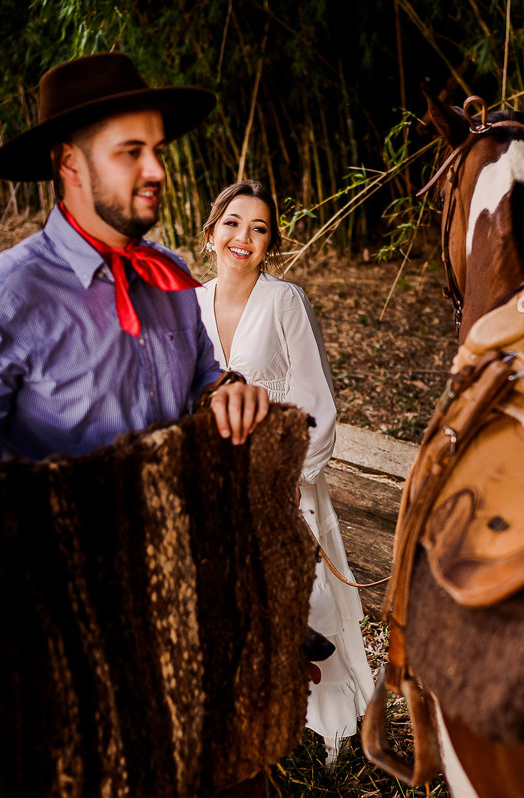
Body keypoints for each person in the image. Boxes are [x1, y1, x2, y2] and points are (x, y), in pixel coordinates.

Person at [0, 52, 269, 526]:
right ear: (70, 164)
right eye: (131, 152)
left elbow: (201, 375)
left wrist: (226, 391)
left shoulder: (169, 272)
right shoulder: (7, 292)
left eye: (158, 151)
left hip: (173, 541)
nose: (156, 171)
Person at [195, 180, 374, 765]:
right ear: (211, 233)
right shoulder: (188, 304)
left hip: (282, 474)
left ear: (271, 243)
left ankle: (328, 733)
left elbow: (318, 401)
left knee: (306, 598)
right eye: (232, 223)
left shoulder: (284, 301)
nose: (243, 237)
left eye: (259, 228)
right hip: (213, 479)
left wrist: (286, 477)